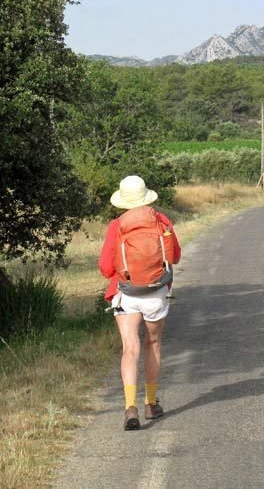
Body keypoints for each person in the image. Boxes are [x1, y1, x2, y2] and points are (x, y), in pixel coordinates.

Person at [98, 175, 182, 430]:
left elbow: (104, 268)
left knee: (130, 347)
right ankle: (151, 403)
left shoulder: (117, 226)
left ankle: (130, 407)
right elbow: (175, 256)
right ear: (146, 197)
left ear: (122, 201)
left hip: (126, 293)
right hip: (156, 293)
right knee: (153, 343)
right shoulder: (161, 221)